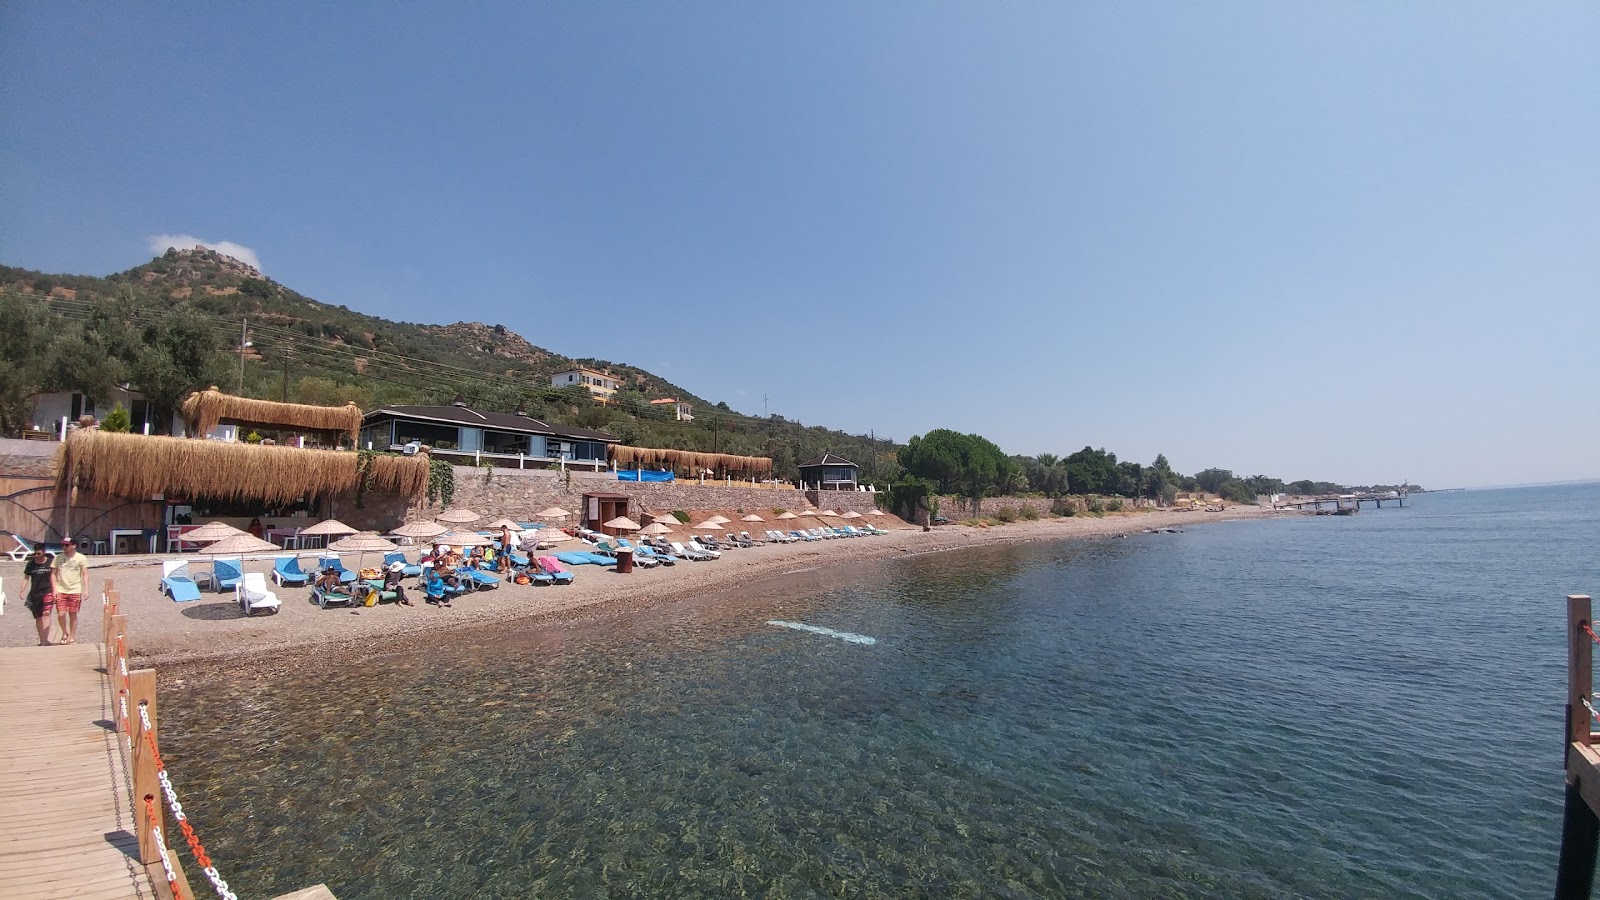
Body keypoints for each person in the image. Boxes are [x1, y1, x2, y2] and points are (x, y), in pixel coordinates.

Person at [49, 537, 89, 645]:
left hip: (75, 589)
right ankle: (64, 633)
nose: (64, 547)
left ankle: (72, 636)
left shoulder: (81, 558)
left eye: (67, 545)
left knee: (73, 613)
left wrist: (86, 589)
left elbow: (85, 574)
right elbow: (53, 574)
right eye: (63, 545)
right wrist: (54, 589)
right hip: (61, 589)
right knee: (61, 614)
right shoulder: (58, 558)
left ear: (73, 546)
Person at [23, 546, 54, 645]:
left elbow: (56, 575)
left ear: (44, 552)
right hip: (35, 593)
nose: (36, 556)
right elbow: (26, 578)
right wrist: (22, 590)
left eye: (39, 553)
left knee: (47, 613)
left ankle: (46, 638)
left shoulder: (50, 562)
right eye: (35, 553)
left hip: (48, 590)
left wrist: (57, 589)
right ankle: (42, 640)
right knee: (38, 617)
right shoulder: (31, 564)